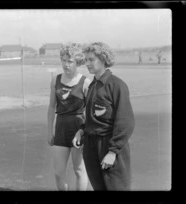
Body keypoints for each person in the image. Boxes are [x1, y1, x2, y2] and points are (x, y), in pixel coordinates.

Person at [72, 42, 135, 191]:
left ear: (103, 59)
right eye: (86, 60)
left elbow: (126, 122)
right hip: (91, 146)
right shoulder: (92, 86)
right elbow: (90, 117)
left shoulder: (117, 85)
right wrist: (81, 131)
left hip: (109, 145)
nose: (87, 63)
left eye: (91, 59)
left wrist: (113, 152)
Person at [47, 43, 91, 191]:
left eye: (70, 61)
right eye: (64, 60)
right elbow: (51, 107)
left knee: (79, 171)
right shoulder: (55, 80)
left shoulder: (85, 82)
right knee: (59, 173)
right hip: (60, 128)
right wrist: (49, 131)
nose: (66, 64)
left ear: (77, 62)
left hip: (78, 128)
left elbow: (90, 112)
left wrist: (85, 132)